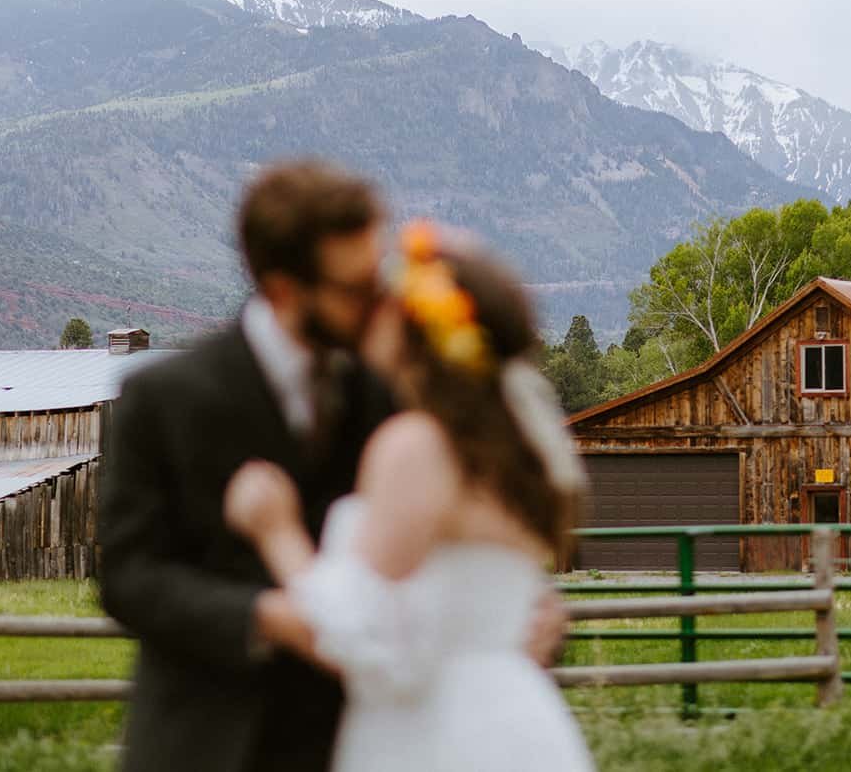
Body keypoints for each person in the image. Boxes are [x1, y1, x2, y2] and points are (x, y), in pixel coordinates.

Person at [97, 162, 566, 772]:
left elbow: (469, 531)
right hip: (211, 741)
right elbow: (128, 576)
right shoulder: (165, 397)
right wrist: (264, 617)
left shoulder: (401, 387)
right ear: (286, 289)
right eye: (356, 288)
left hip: (373, 735)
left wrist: (520, 617)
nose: (381, 300)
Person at [223, 221, 594, 771]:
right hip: (523, 722)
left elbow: (372, 641)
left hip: (436, 735)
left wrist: (276, 533)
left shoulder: (419, 444)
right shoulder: (521, 451)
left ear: (412, 324)